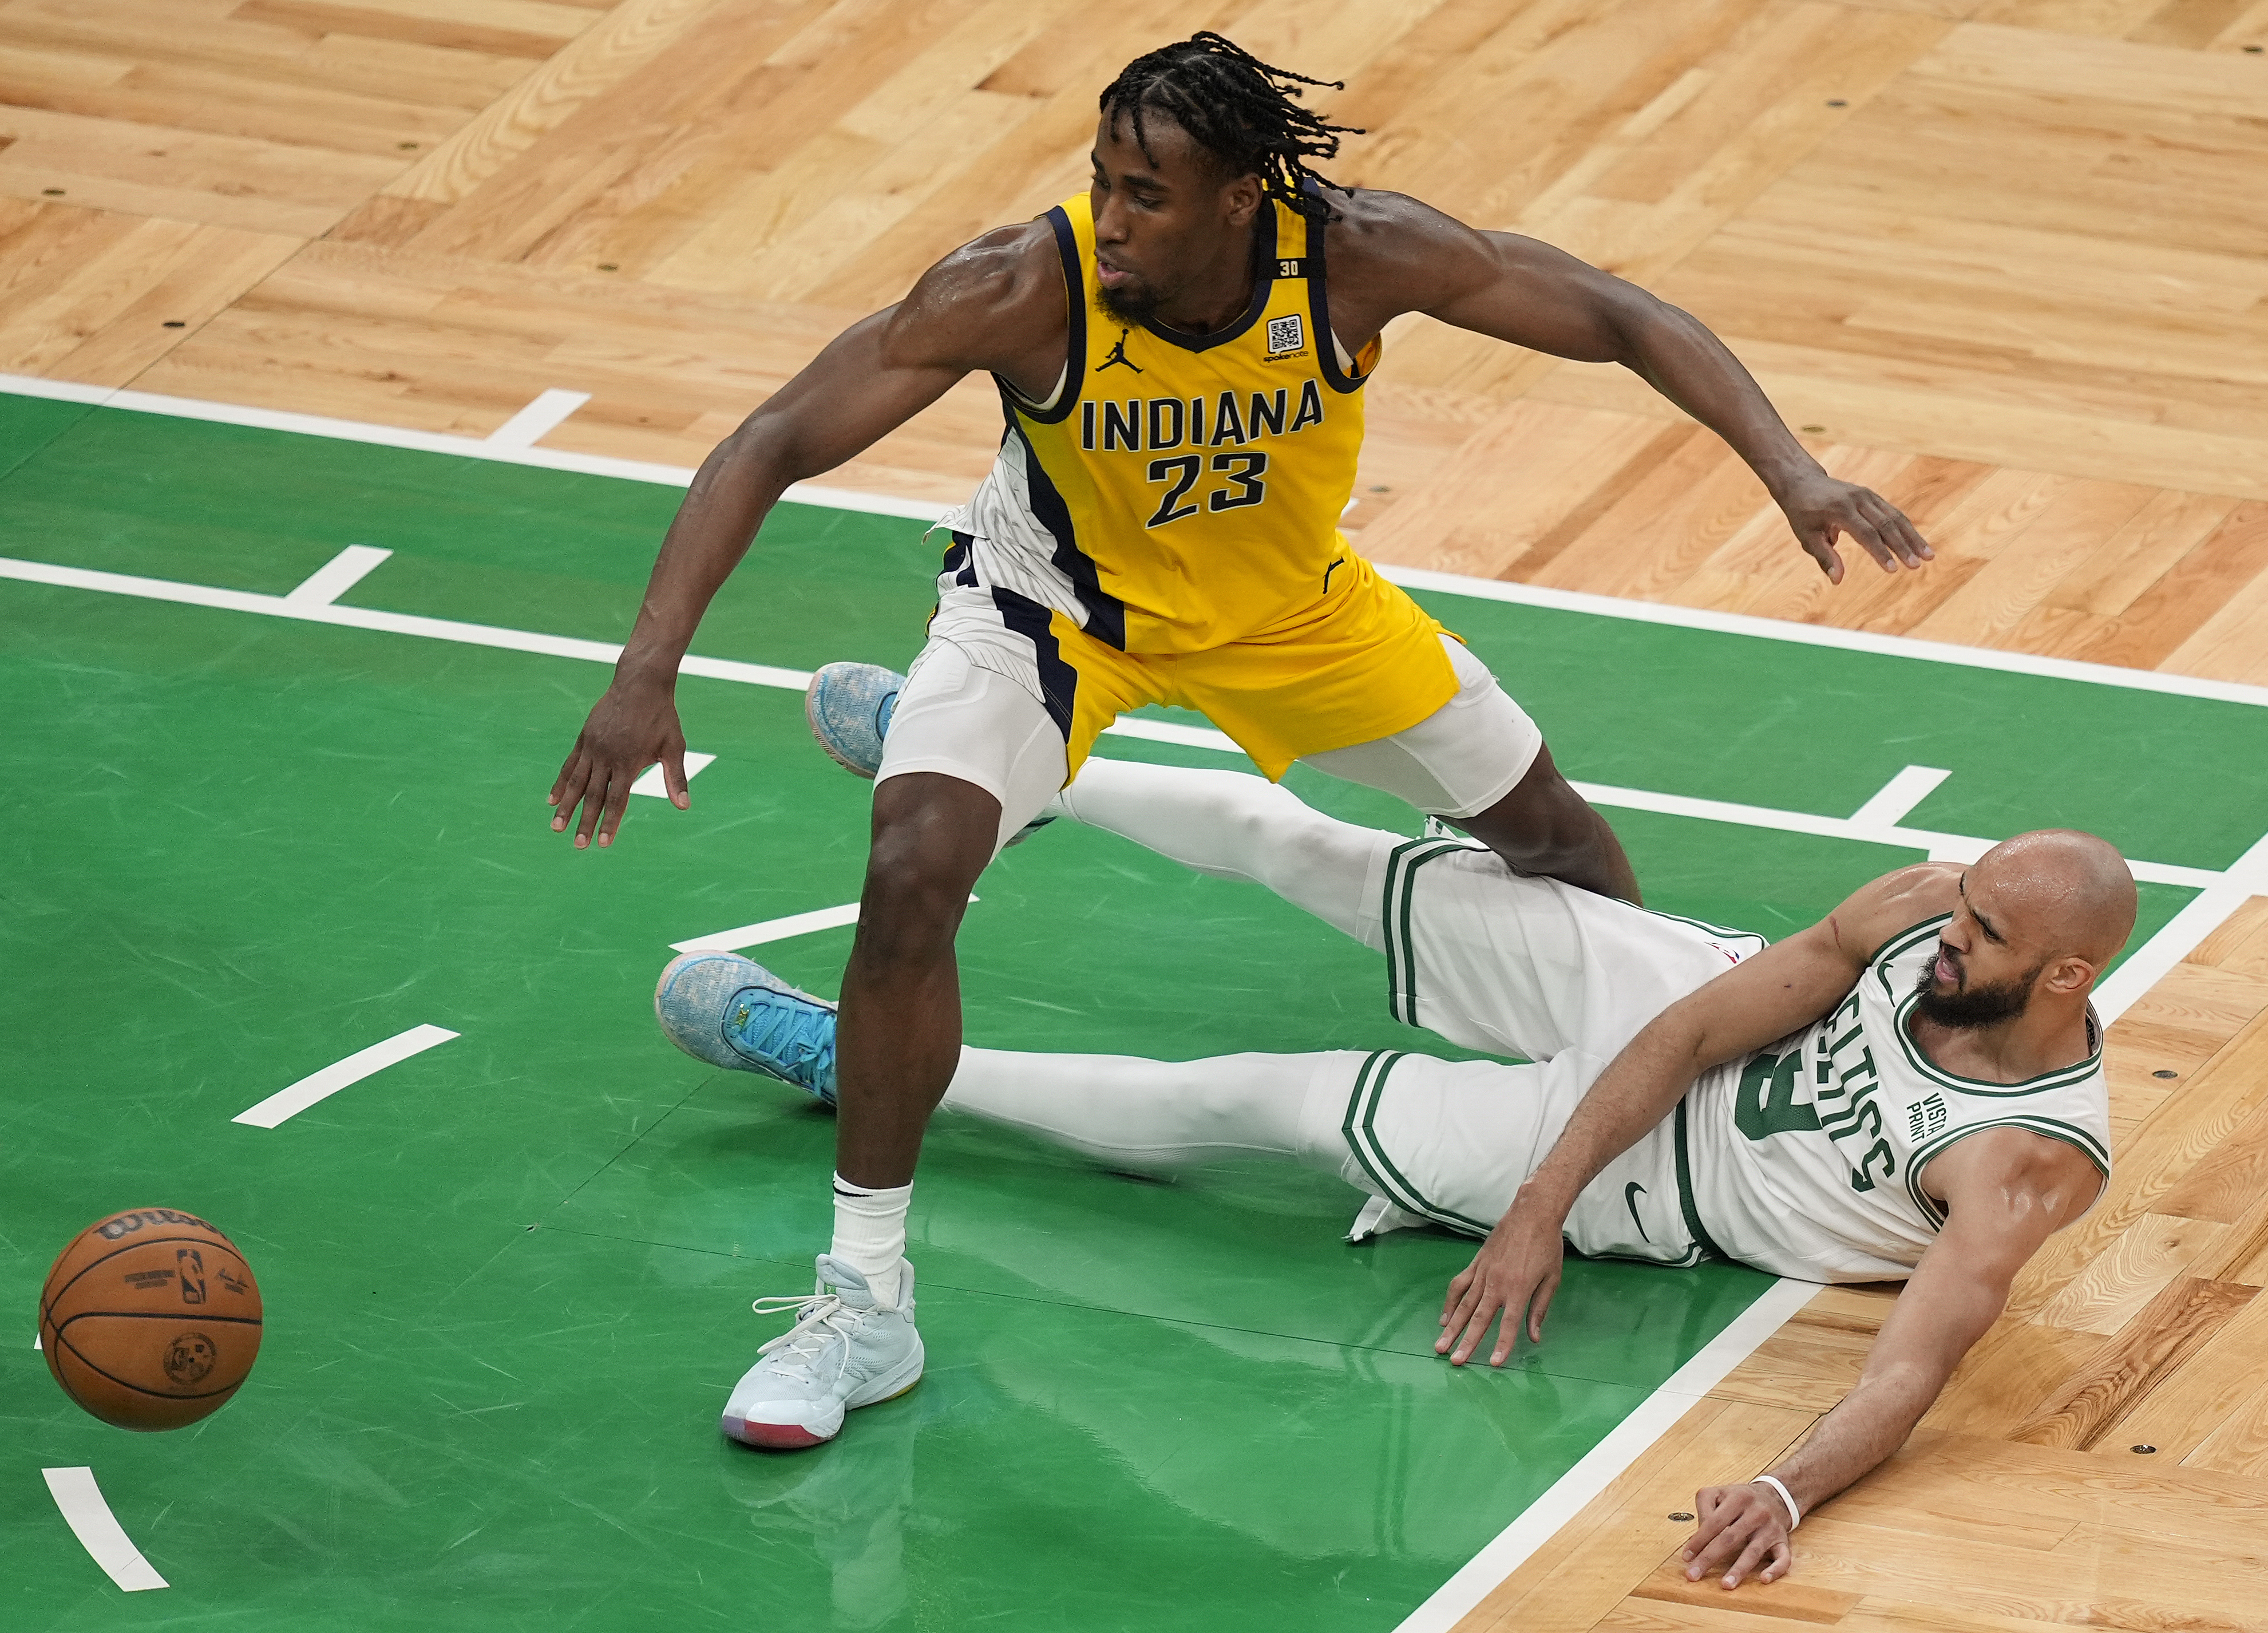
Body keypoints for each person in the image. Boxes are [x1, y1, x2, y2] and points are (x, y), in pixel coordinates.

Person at [554, 33, 1934, 1449]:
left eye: (1145, 193)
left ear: (1239, 202)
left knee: (1560, 846)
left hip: (1294, 612)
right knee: (911, 869)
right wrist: (645, 669)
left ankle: (1603, 1117)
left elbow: (1618, 313)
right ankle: (865, 1301)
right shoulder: (1024, 288)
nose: (1110, 217)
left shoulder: (1354, 257)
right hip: (1053, 619)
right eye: (1101, 181)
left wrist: (1795, 470)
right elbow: (775, 436)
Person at [660, 756, 2131, 1587]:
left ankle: (845, 1057)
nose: (1949, 930)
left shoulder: (2020, 1166)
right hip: (1662, 1008)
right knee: (1312, 846)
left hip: (1668, 1196)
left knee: (1254, 1101)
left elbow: (1907, 1374)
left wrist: (1787, 1488)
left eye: (1987, 938)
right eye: (1961, 901)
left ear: (2063, 974)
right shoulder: (1931, 907)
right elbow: (1689, 1025)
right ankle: (979, 762)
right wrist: (1535, 1206)